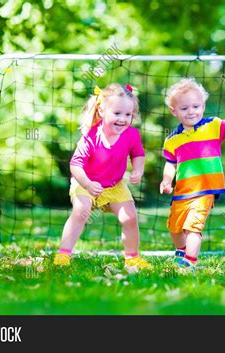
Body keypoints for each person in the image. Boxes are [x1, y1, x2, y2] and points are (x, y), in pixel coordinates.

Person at [54, 83, 151, 271]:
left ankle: (132, 257)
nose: (123, 119)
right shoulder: (91, 136)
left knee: (130, 217)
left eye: (128, 114)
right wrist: (88, 184)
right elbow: (75, 165)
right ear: (102, 111)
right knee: (81, 211)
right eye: (117, 113)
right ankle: (63, 254)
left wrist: (138, 170)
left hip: (114, 185)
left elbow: (138, 154)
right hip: (86, 182)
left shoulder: (131, 134)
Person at [160, 78, 225, 270]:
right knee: (175, 228)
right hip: (182, 193)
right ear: (174, 111)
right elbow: (170, 164)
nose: (191, 111)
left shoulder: (213, 126)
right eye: (184, 108)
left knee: (192, 227)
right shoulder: (172, 140)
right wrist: (166, 181)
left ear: (203, 106)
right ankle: (181, 251)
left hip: (205, 191)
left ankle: (189, 261)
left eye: (196, 106)